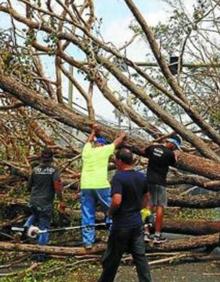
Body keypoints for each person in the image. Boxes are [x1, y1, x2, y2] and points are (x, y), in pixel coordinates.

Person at [98, 148, 152, 282]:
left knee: (112, 258)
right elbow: (147, 197)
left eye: (116, 159)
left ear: (120, 161)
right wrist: (139, 209)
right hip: (137, 224)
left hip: (121, 225)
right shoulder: (141, 177)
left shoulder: (119, 177)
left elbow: (116, 200)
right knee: (140, 257)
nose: (115, 162)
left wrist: (109, 214)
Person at [80, 124, 126, 249]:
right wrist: (122, 136)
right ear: (103, 144)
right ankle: (114, 236)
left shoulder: (87, 151)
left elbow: (88, 141)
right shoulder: (104, 150)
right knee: (111, 211)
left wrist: (93, 131)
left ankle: (88, 242)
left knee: (87, 213)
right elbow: (116, 142)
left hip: (85, 185)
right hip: (101, 185)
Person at [131, 134, 182, 244]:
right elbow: (174, 162)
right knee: (160, 207)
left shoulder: (152, 148)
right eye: (175, 146)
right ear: (173, 144)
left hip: (148, 181)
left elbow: (145, 151)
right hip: (160, 183)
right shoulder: (170, 154)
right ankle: (157, 235)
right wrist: (175, 155)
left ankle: (145, 233)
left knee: (147, 207)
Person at [23, 148, 65, 250]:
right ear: (52, 158)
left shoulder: (35, 170)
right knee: (44, 228)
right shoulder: (54, 170)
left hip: (33, 201)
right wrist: (61, 200)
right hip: (45, 203)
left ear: (41, 158)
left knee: (35, 214)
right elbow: (57, 186)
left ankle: (26, 226)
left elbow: (28, 187)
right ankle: (41, 253)